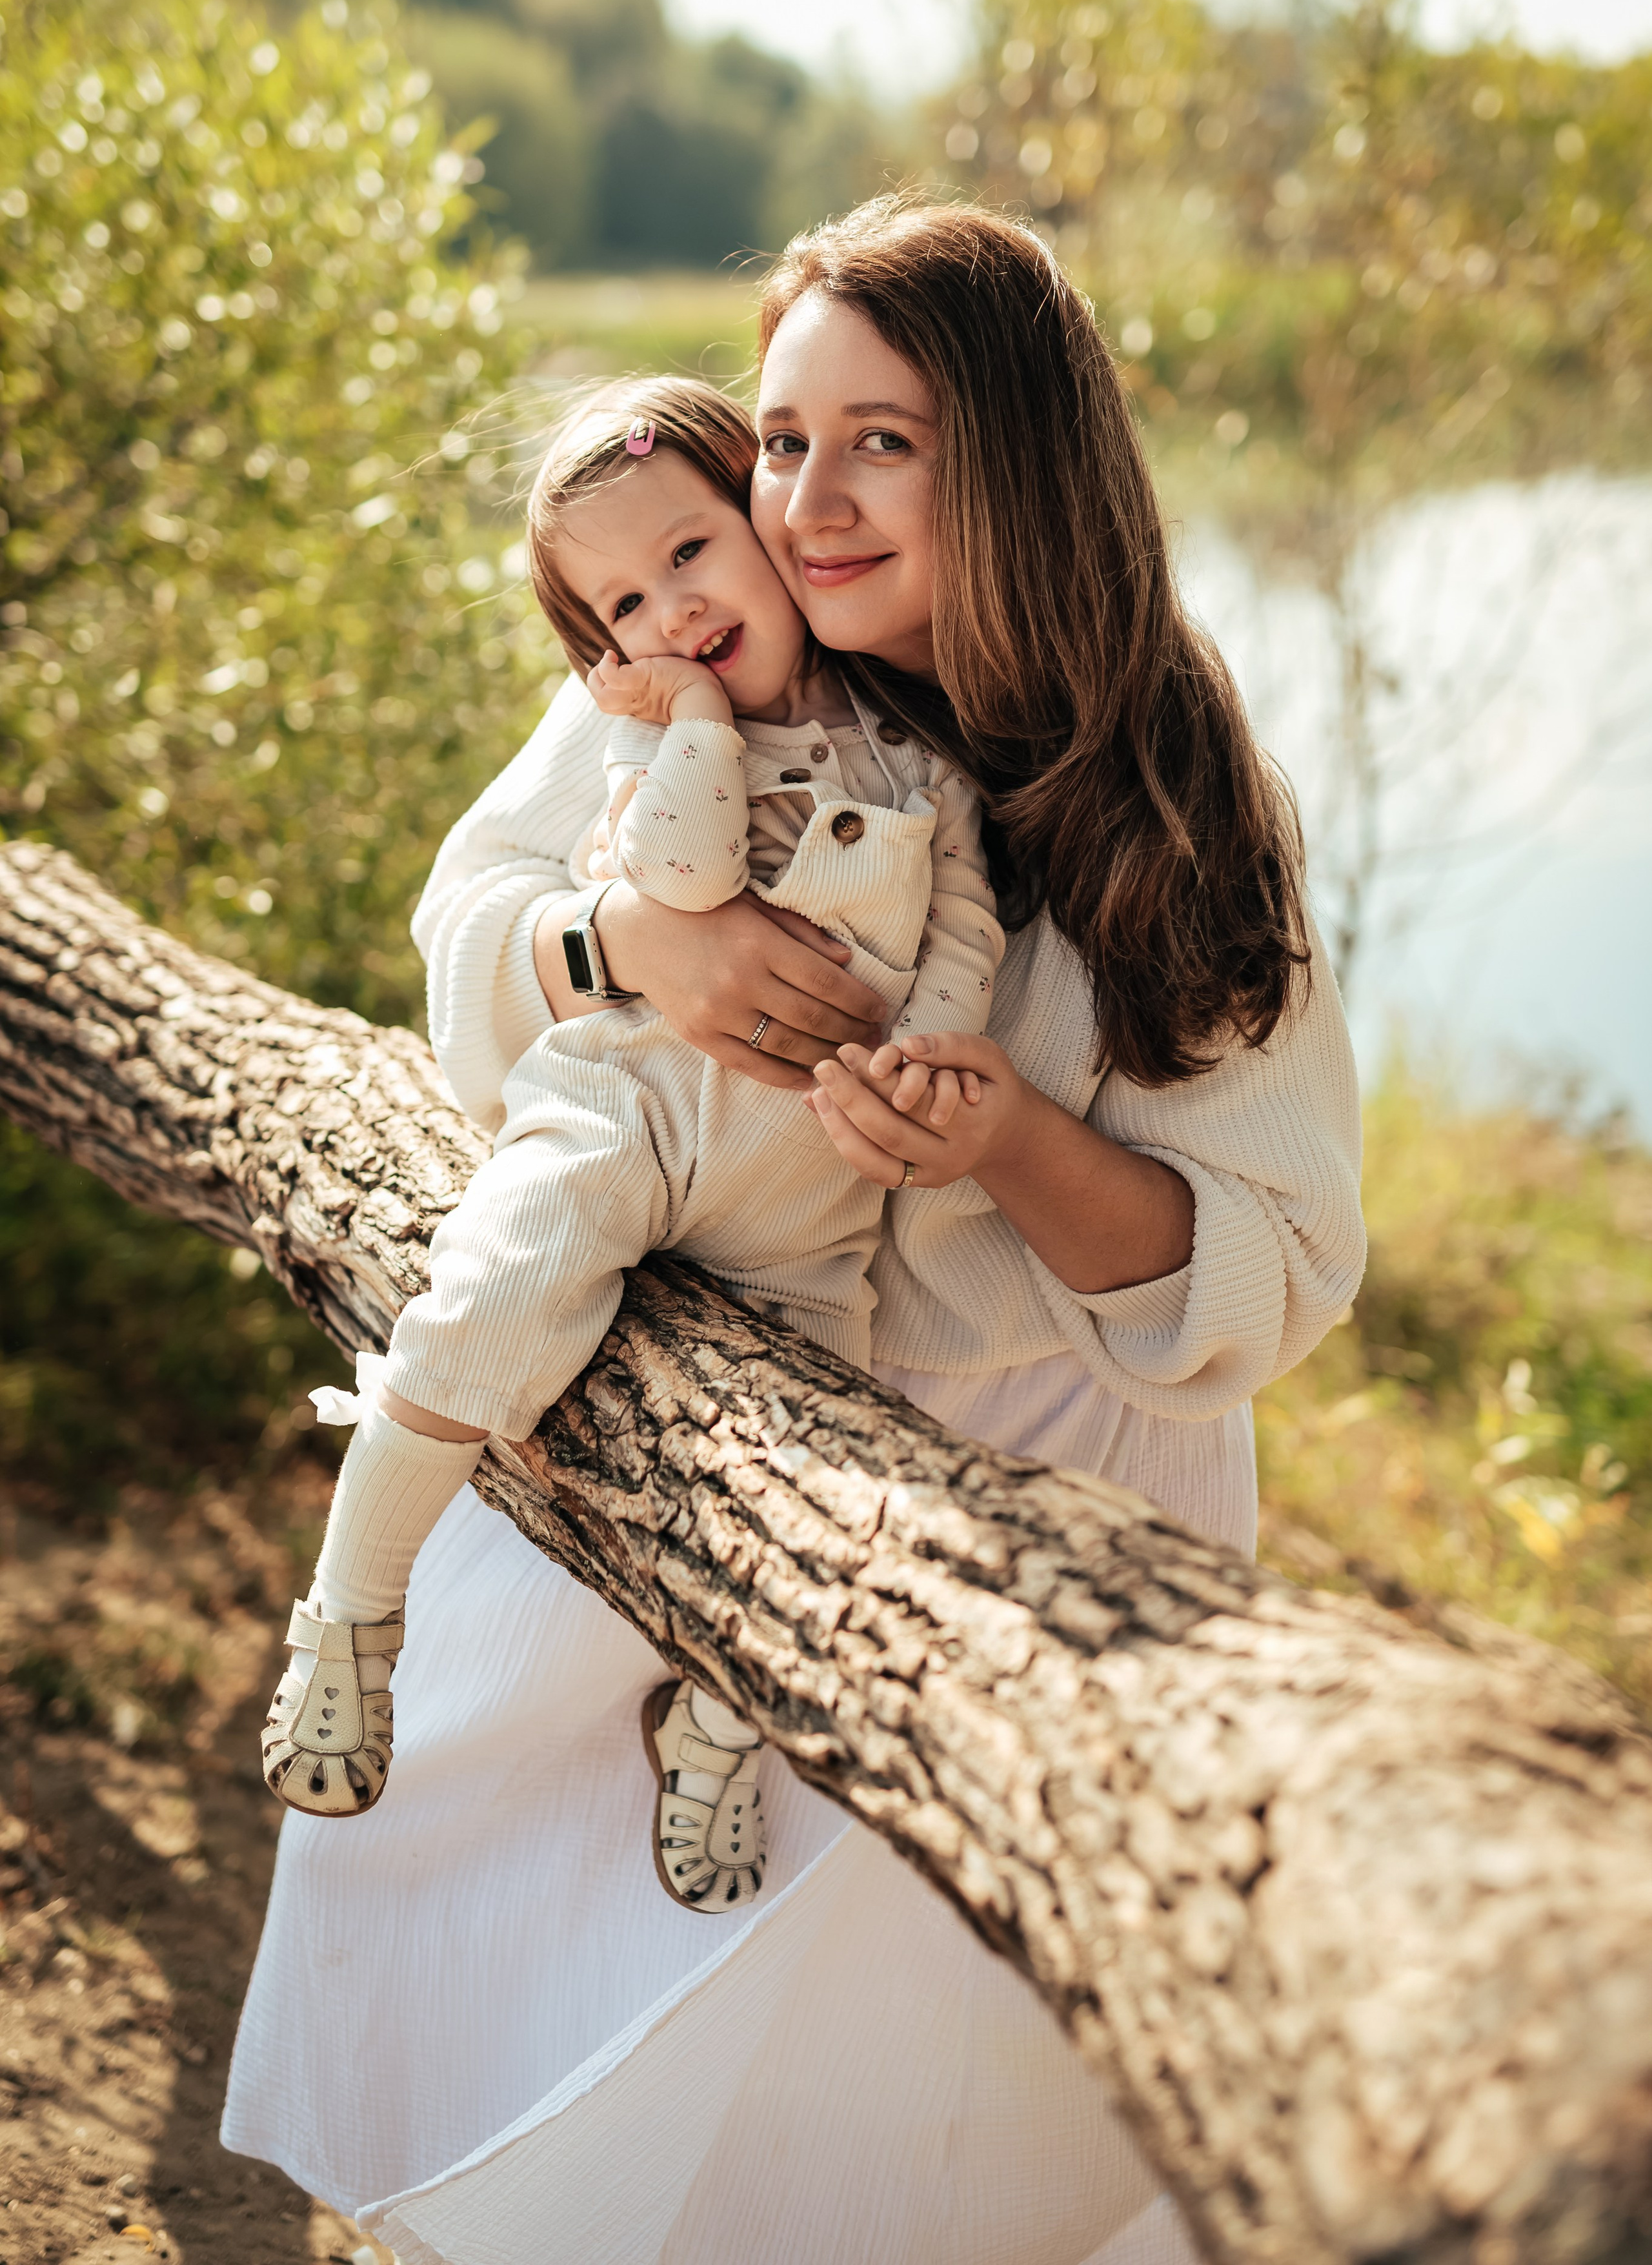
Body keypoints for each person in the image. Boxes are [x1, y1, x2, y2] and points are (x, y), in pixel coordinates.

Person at [223, 198, 1365, 2265]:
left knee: (896, 2120)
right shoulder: (699, 655)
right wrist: (623, 938)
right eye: (777, 437)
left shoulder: (1178, 783)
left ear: (1017, 459)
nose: (805, 501)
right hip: (715, 1379)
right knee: (539, 1957)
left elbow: (1266, 1268)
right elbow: (463, 938)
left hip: (1033, 1486)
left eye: (883, 443)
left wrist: (1011, 1138)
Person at [259, 374, 1002, 1920]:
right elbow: (664, 868)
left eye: (689, 553)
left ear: (758, 517)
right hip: (628, 1118)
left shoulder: (923, 765)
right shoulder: (637, 736)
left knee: (823, 1473)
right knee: (478, 1316)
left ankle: (718, 1729)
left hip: (806, 1194)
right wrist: (689, 735)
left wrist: (932, 1044)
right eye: (620, 603)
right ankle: (348, 1616)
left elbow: (964, 923)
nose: (667, 609)